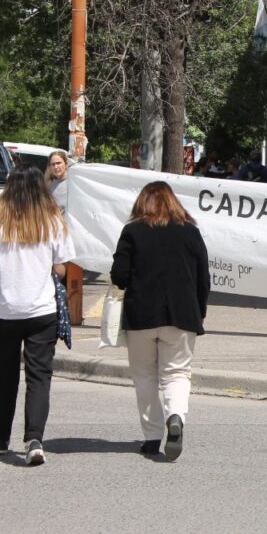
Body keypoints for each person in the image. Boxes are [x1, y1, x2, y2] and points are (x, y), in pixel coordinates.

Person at [0, 165, 75, 466]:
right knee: (39, 377)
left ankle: (0, 438)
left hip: (4, 310)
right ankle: (34, 439)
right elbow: (62, 267)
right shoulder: (53, 221)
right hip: (41, 310)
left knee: (4, 377)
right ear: (40, 188)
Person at [110, 181, 210, 461]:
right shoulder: (190, 232)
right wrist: (199, 311)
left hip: (141, 314)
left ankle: (152, 437)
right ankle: (175, 416)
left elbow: (119, 274)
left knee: (145, 375)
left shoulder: (132, 231)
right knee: (176, 373)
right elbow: (204, 278)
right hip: (182, 314)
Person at [45, 150, 69, 215]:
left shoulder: (73, 183)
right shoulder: (48, 186)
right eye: (53, 164)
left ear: (66, 163)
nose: (56, 167)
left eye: (58, 163)